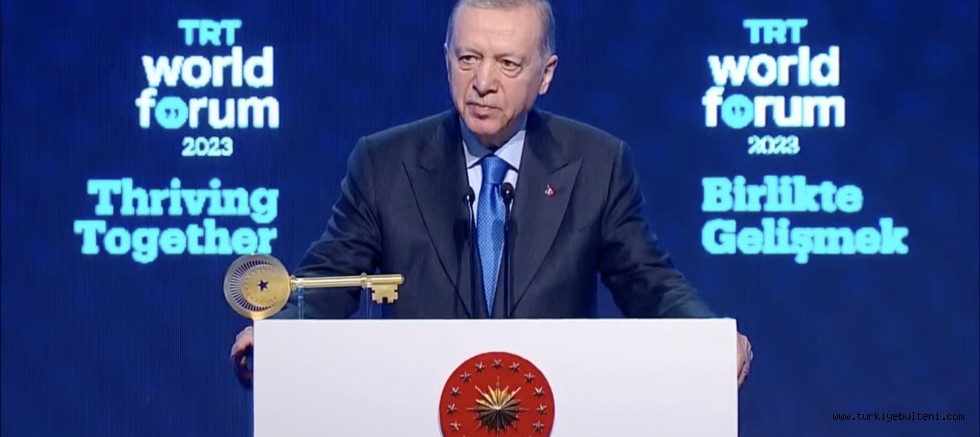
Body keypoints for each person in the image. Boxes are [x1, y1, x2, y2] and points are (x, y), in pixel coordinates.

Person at [231, 0, 752, 388]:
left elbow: (647, 280)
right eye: (468, 58)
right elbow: (329, 279)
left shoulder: (598, 164)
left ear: (545, 75)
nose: (483, 82)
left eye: (508, 63)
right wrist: (279, 336)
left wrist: (706, 337)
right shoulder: (384, 163)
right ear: (446, 59)